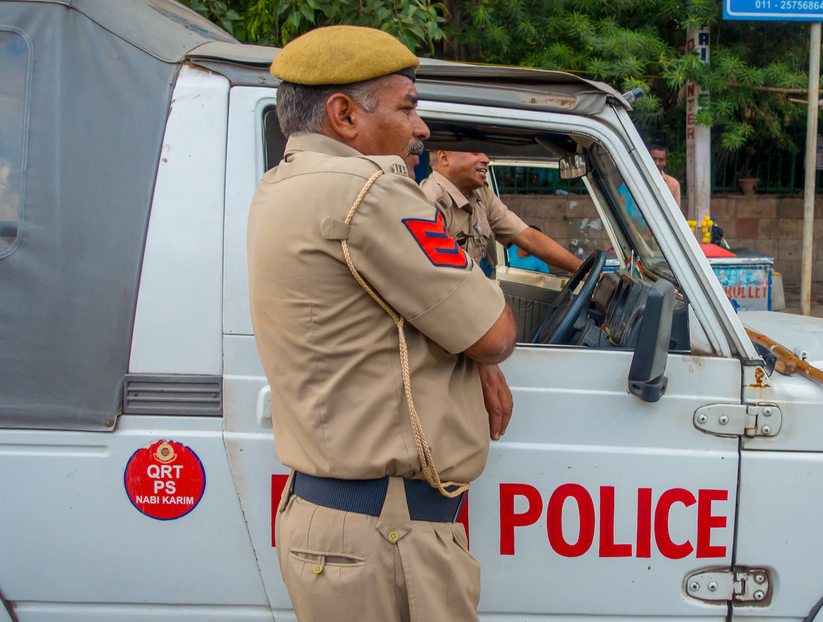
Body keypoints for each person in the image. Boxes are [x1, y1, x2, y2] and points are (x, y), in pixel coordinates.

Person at [246, 26, 517, 622]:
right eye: (408, 107)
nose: (422, 128)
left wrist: (476, 356)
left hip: (339, 525)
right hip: (389, 537)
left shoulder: (279, 185)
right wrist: (484, 354)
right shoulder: (370, 191)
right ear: (344, 114)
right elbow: (493, 331)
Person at [420, 150, 583, 276]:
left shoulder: (481, 195)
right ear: (444, 158)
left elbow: (528, 237)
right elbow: (438, 280)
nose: (486, 159)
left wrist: (583, 270)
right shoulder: (428, 202)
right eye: (475, 152)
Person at [648, 142, 682, 208]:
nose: (657, 163)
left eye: (661, 160)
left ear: (665, 162)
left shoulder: (673, 184)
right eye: (654, 159)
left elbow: (676, 210)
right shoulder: (638, 179)